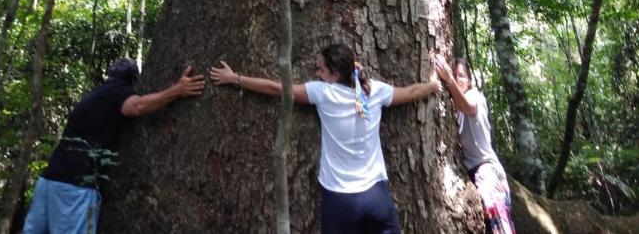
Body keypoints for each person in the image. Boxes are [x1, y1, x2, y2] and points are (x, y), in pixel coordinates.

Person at [210, 42, 441, 234]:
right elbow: (410, 93)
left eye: (320, 69)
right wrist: (432, 85)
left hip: (340, 201)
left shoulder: (322, 93)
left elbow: (276, 89)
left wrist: (235, 78)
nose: (317, 73)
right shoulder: (375, 91)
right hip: (376, 199)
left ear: (335, 74)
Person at [23, 57, 205, 234]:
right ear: (133, 80)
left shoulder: (93, 96)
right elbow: (138, 106)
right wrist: (177, 90)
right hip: (74, 189)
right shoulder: (117, 93)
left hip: (48, 181)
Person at [434, 55, 516, 234]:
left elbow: (468, 106)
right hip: (472, 172)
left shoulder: (474, 96)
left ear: (470, 81)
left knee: (500, 226)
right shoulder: (454, 109)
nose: (457, 78)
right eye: (454, 74)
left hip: (487, 170)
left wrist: (448, 78)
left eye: (461, 75)